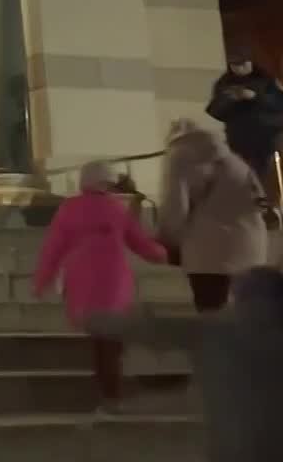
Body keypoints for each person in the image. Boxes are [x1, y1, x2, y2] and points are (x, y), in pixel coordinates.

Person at [86, 265, 283, 461]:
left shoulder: (211, 329)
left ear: (239, 297)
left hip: (230, 449)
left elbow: (148, 329)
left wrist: (95, 318)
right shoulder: (213, 328)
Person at [31, 160, 168, 412]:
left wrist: (42, 281)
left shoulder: (69, 209)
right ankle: (111, 395)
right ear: (107, 182)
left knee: (98, 341)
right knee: (111, 343)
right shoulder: (116, 209)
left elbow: (53, 249)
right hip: (114, 285)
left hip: (82, 287)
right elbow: (141, 244)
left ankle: (106, 394)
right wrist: (163, 254)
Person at [160, 119, 268, 312]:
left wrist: (168, 239)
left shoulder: (181, 155)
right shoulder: (234, 160)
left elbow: (175, 206)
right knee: (244, 317)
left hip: (209, 254)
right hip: (251, 250)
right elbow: (258, 200)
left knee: (211, 315)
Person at [206, 51, 283, 187]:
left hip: (267, 139)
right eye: (235, 65)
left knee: (265, 179)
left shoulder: (265, 79)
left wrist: (255, 96)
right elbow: (215, 112)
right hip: (239, 140)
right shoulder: (224, 83)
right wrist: (228, 99)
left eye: (243, 64)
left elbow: (278, 103)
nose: (240, 69)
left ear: (250, 62)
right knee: (241, 179)